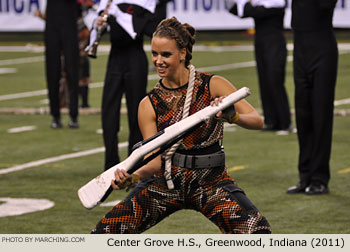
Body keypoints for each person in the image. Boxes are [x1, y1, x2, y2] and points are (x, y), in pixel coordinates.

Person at [91, 17, 271, 234]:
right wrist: (134, 176)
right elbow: (156, 162)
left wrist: (233, 117)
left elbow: (257, 120)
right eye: (155, 54)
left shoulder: (213, 85)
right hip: (167, 182)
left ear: (183, 53)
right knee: (104, 233)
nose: (158, 61)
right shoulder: (148, 105)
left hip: (210, 182)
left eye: (166, 54)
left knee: (258, 233)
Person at [92, 0, 172, 171]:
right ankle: (110, 163)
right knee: (108, 112)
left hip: (135, 59)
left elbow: (144, 31)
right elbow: (98, 25)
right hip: (114, 59)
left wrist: (118, 14)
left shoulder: (146, 3)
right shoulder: (110, 3)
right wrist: (98, 24)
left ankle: (134, 162)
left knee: (137, 112)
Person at [287, 0, 338, 195]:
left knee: (321, 115)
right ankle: (305, 175)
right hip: (300, 48)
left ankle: (320, 178)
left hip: (322, 48)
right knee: (303, 114)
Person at [228, 0, 292, 134]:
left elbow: (253, 10)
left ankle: (285, 123)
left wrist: (247, 5)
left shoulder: (276, 3)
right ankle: (271, 121)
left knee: (275, 80)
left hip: (275, 43)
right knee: (264, 81)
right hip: (261, 43)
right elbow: (237, 10)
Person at [44, 0, 80, 129]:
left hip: (69, 21)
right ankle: (55, 115)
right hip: (53, 22)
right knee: (52, 71)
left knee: (72, 71)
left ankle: (74, 115)